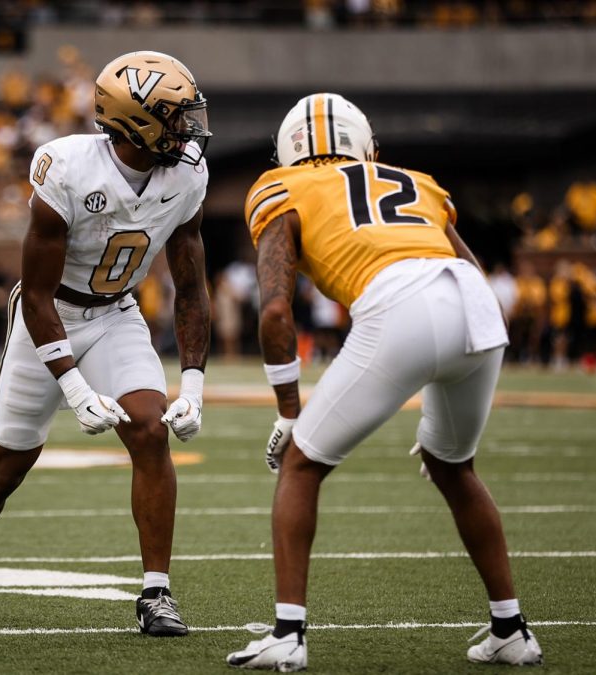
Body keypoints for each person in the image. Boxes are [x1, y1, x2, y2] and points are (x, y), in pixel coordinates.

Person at [227, 93, 542, 671]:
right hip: (476, 307)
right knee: (453, 466)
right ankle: (511, 629)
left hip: (398, 303)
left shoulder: (280, 187)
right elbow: (471, 273)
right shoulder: (415, 181)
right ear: (364, 144)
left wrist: (289, 411)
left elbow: (274, 313)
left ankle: (288, 634)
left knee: (301, 463)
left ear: (288, 149)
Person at [0, 51, 212, 637]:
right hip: (48, 315)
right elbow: (34, 296)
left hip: (117, 313)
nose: (190, 126)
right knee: (8, 467)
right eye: (177, 115)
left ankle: (156, 593)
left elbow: (190, 287)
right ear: (139, 122)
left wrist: (194, 383)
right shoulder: (66, 167)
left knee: (150, 430)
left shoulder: (187, 175)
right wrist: (76, 388)